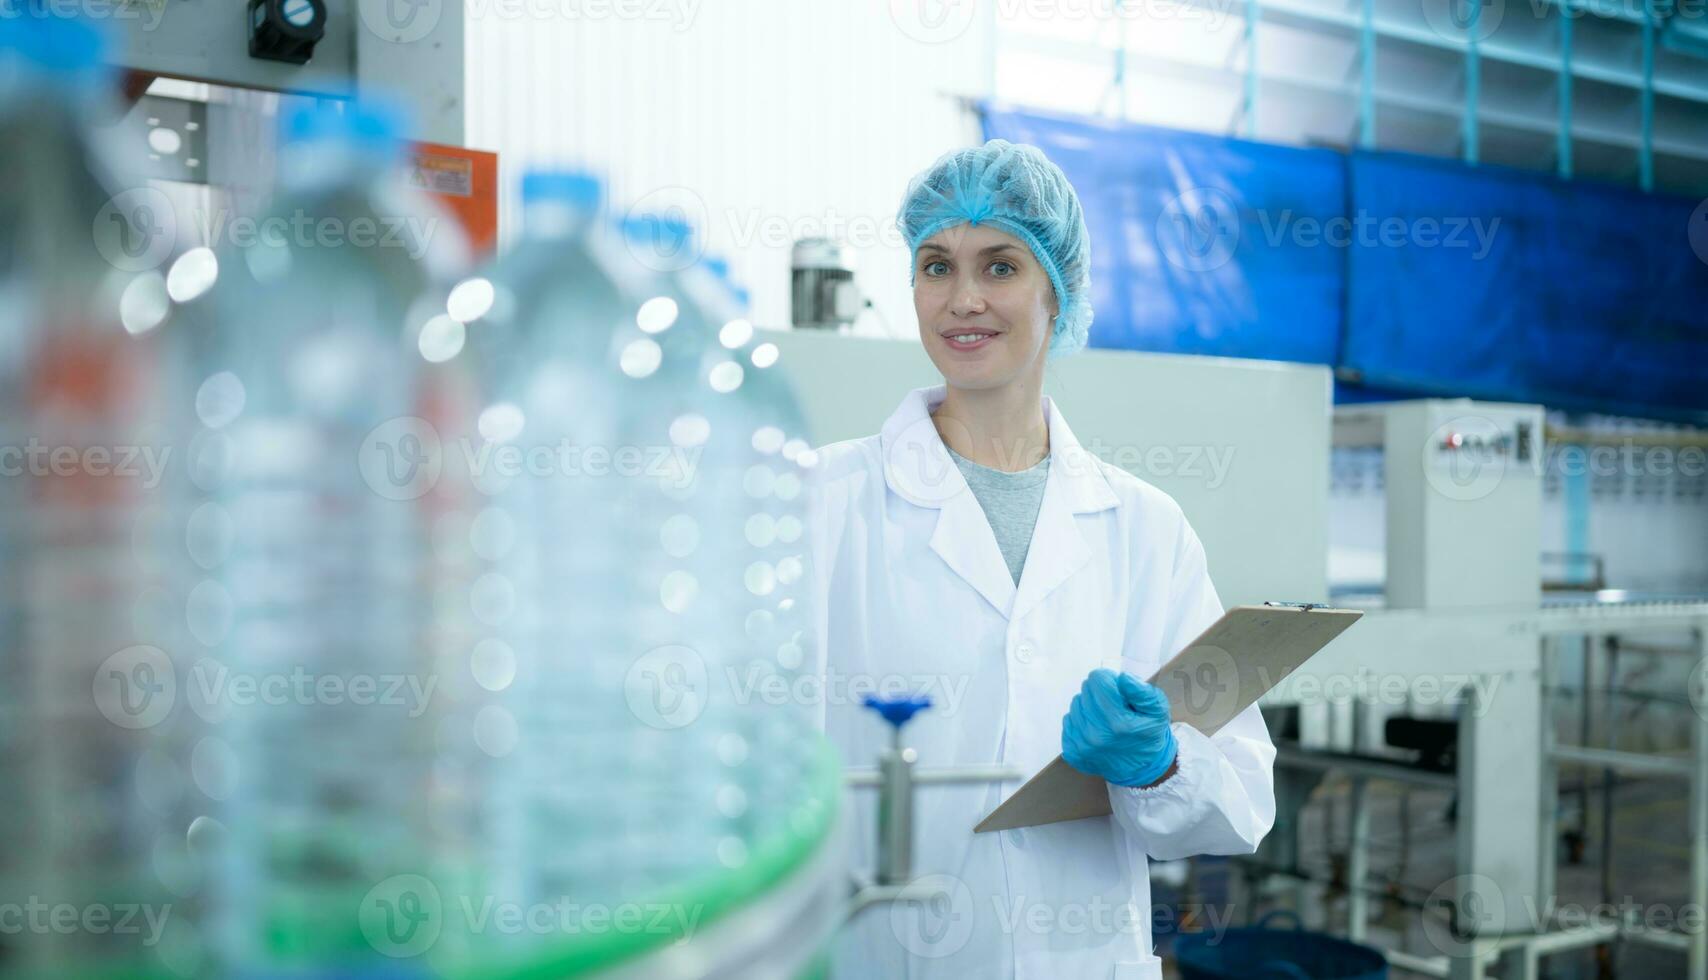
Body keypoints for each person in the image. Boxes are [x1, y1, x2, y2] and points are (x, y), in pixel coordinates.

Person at [805, 139, 1277, 979]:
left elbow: (1240, 804)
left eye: (1000, 267)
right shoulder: (825, 501)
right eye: (935, 265)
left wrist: (1161, 763)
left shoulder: (1144, 528)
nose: (962, 300)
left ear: (1057, 292)